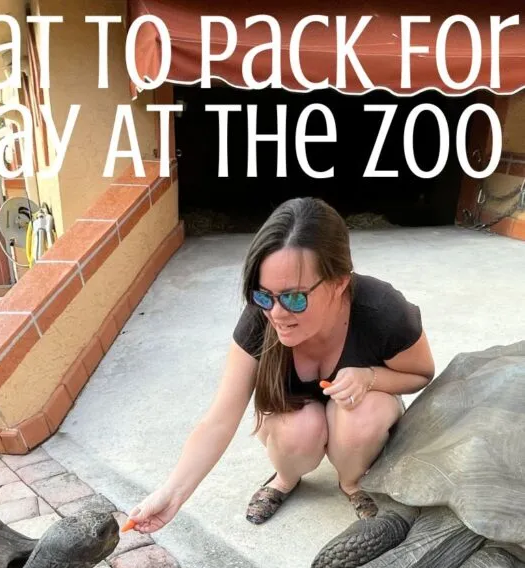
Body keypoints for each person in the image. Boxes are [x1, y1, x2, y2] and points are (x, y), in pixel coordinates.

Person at [127, 196, 435, 533]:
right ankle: (285, 479)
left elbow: (421, 373)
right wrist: (172, 495)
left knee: (363, 416)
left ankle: (352, 481)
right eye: (263, 295)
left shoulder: (382, 310)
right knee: (300, 430)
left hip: (358, 406)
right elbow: (219, 420)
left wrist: (370, 377)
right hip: (295, 417)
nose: (276, 314)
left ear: (339, 283)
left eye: (294, 297)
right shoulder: (260, 320)